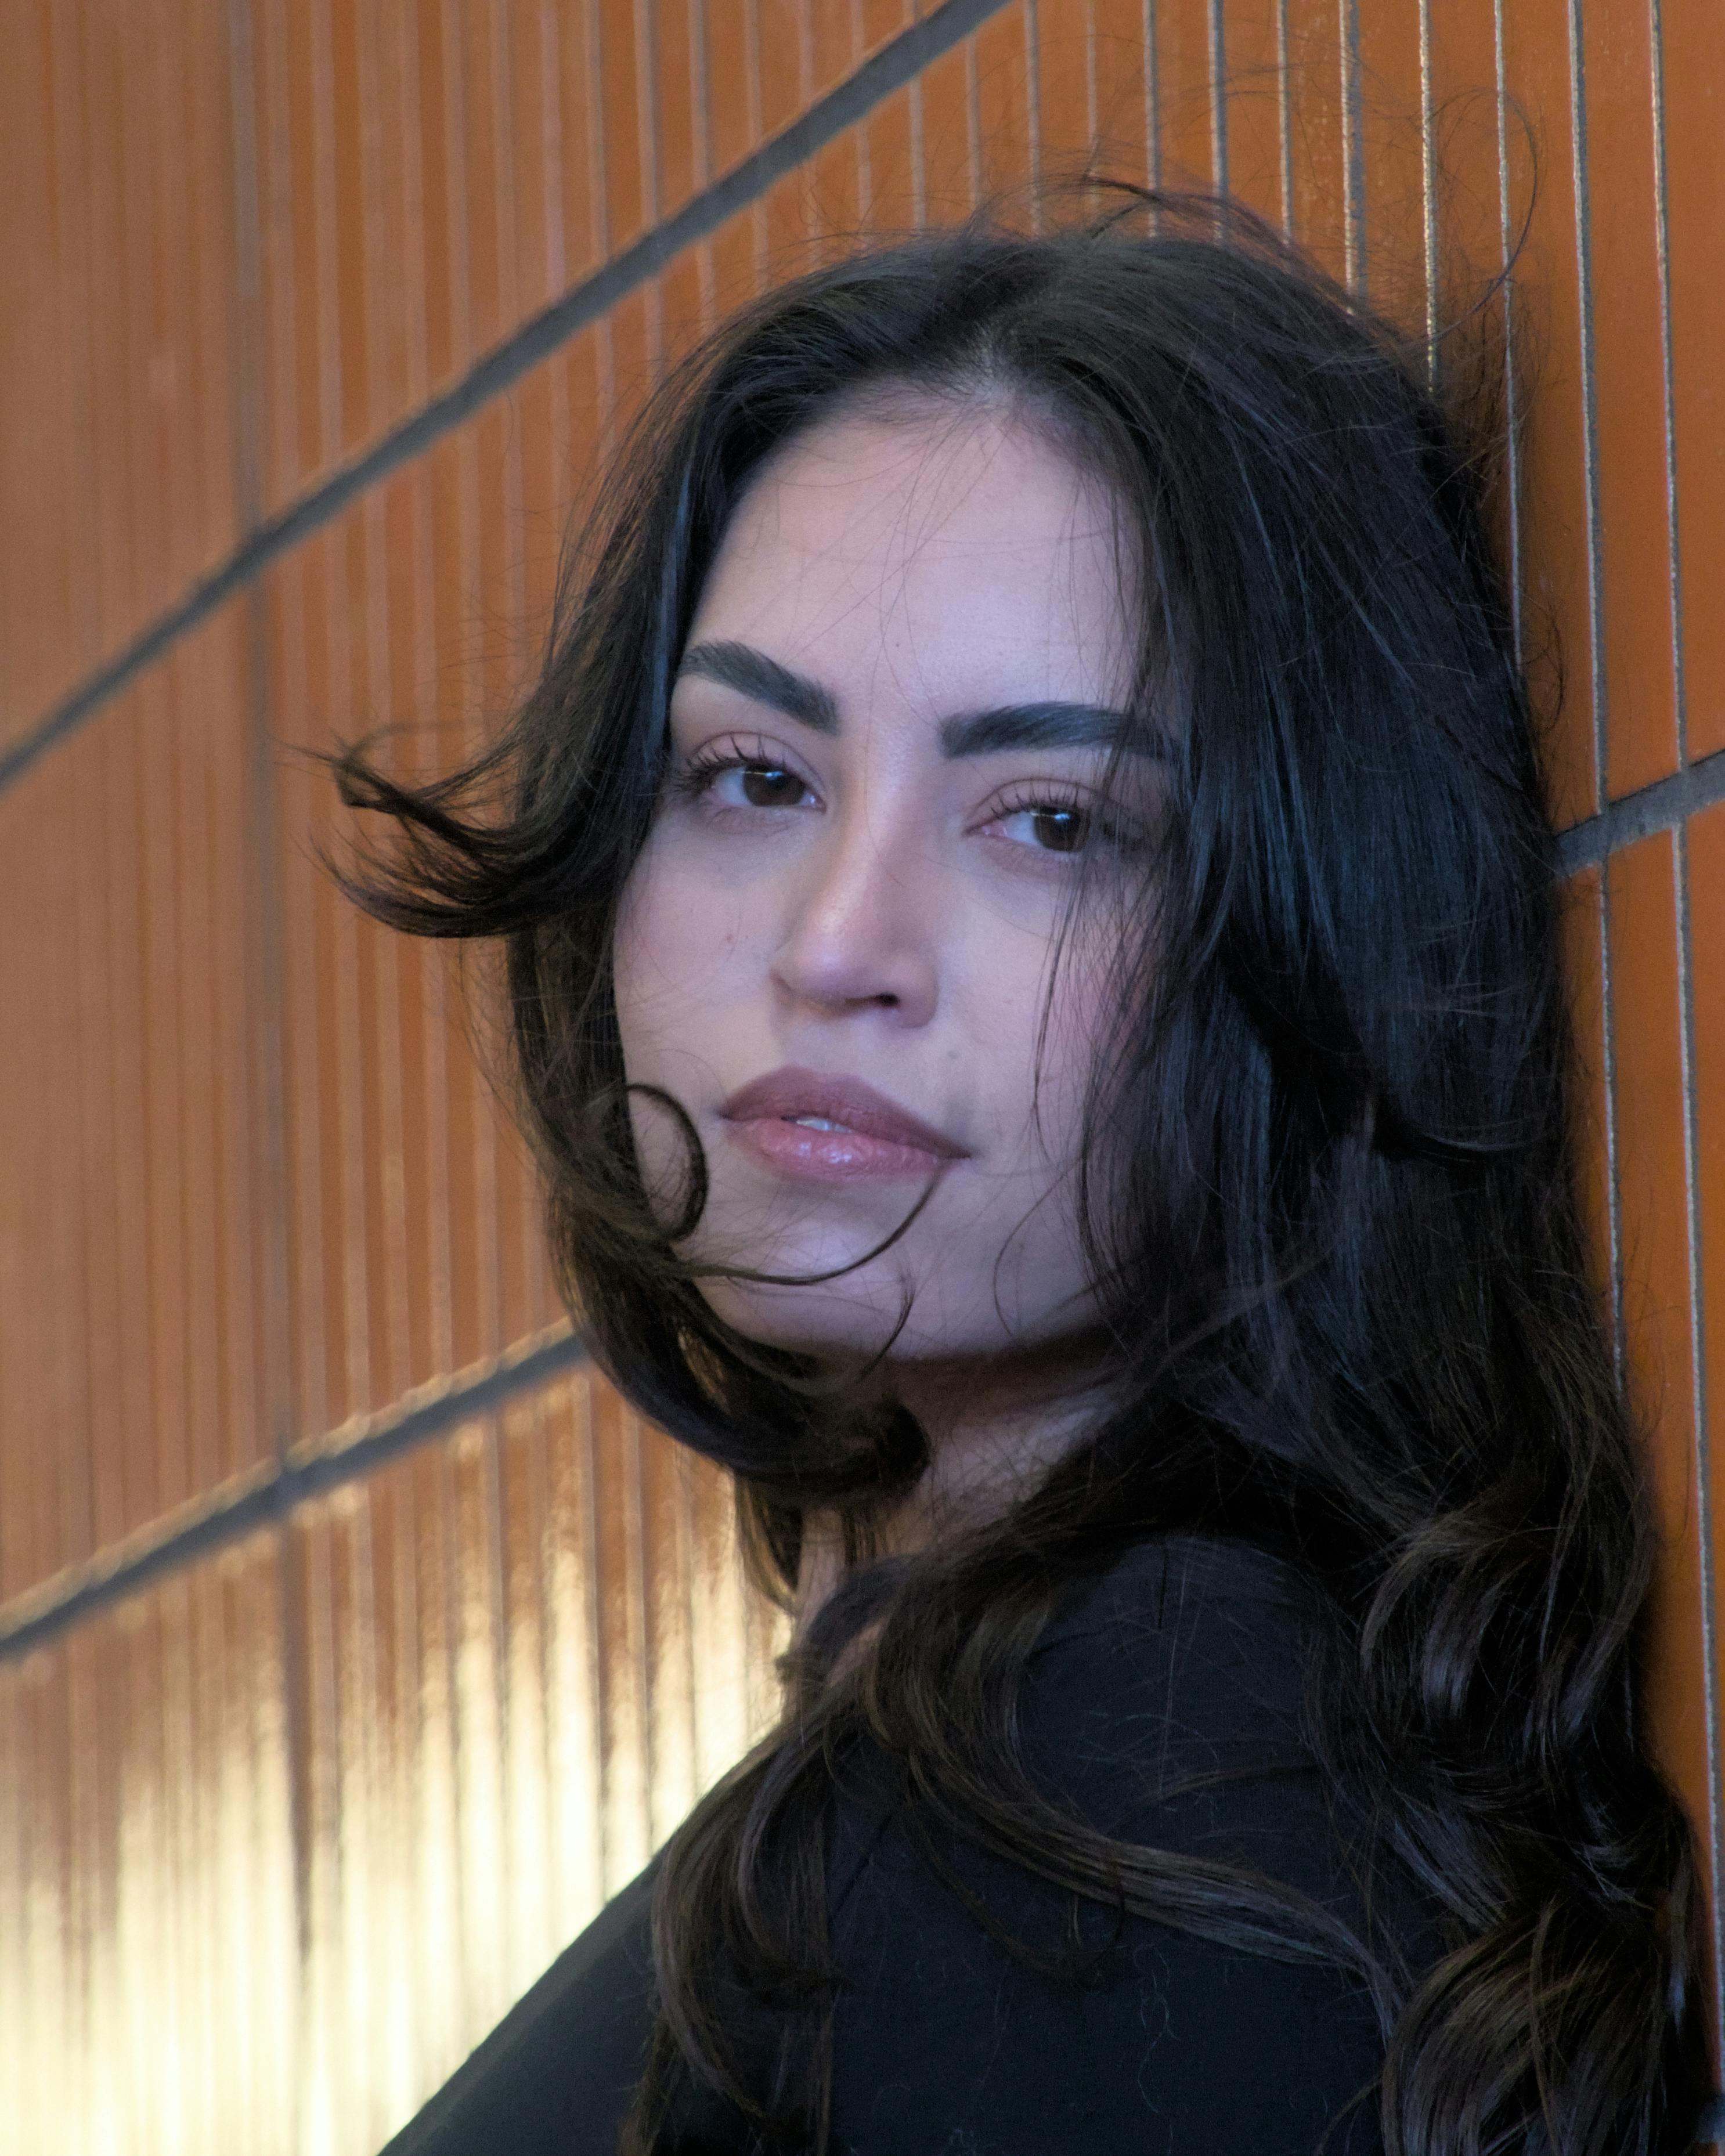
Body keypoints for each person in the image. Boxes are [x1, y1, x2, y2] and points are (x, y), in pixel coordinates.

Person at [337, 190, 1709, 2155]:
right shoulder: (1017, 1738)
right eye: (753, 776)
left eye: (1052, 820)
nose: (837, 940)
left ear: (1308, 926)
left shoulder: (1141, 1773)